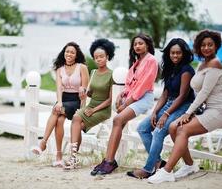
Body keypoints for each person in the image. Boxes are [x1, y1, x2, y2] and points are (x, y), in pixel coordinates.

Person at [148, 30, 222, 184]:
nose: (206, 48)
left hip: (220, 110)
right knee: (174, 127)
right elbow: (196, 91)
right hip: (207, 109)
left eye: (210, 45)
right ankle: (190, 165)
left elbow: (204, 93)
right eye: (203, 45)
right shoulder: (203, 64)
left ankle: (167, 171)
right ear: (198, 47)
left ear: (216, 46)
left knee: (183, 129)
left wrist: (187, 113)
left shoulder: (215, 63)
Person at [126, 38, 195, 179]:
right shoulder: (169, 68)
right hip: (169, 103)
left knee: (158, 132)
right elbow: (165, 94)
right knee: (143, 128)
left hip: (184, 105)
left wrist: (166, 114)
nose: (175, 56)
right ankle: (158, 162)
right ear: (168, 54)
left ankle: (148, 169)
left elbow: (182, 96)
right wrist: (155, 112)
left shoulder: (187, 70)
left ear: (184, 54)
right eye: (172, 53)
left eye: (178, 53)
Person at [91, 33, 158, 175]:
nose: (137, 46)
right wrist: (122, 94)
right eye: (135, 44)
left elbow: (143, 85)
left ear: (147, 45)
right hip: (133, 97)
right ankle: (107, 160)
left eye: (140, 43)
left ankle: (110, 161)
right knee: (118, 122)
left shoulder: (151, 60)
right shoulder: (136, 62)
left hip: (144, 98)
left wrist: (126, 103)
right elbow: (130, 83)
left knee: (117, 119)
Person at [31, 42, 89, 167]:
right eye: (67, 51)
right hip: (63, 99)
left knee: (55, 111)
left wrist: (83, 99)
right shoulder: (60, 68)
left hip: (77, 100)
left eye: (72, 52)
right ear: (64, 53)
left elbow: (85, 88)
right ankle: (59, 157)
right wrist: (59, 101)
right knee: (59, 121)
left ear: (76, 54)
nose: (69, 54)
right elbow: (58, 88)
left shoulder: (82, 67)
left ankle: (43, 143)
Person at [63, 38, 116, 170]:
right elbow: (91, 93)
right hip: (91, 105)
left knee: (76, 121)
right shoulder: (93, 73)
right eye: (96, 57)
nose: (98, 59)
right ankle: (73, 157)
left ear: (107, 57)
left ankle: (73, 157)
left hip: (103, 109)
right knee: (77, 121)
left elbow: (110, 99)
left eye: (101, 57)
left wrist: (93, 110)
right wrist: (85, 92)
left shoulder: (112, 74)